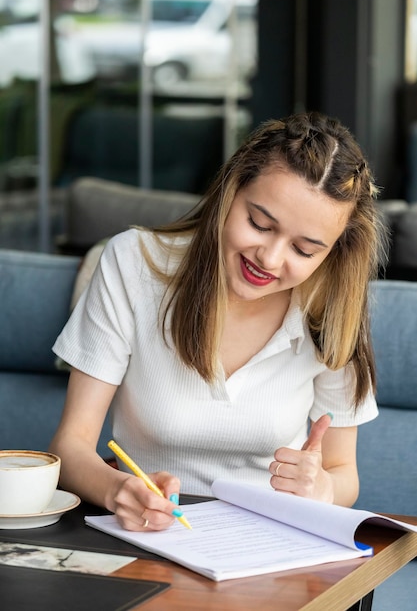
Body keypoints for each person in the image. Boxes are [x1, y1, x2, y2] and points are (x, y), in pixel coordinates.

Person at [50, 111, 386, 532]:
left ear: (332, 253)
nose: (270, 258)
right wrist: (118, 490)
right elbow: (70, 447)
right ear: (230, 191)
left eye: (304, 251)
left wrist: (322, 489)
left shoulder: (332, 308)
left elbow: (343, 472)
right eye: (260, 224)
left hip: (272, 542)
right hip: (152, 536)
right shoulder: (134, 264)